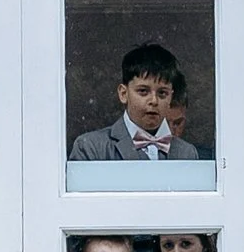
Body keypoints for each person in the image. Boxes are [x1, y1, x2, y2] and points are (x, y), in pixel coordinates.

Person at [69, 42, 197, 165]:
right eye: (143, 91)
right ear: (124, 94)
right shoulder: (92, 149)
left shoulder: (187, 153)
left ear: (171, 97)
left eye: (162, 93)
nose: (154, 101)